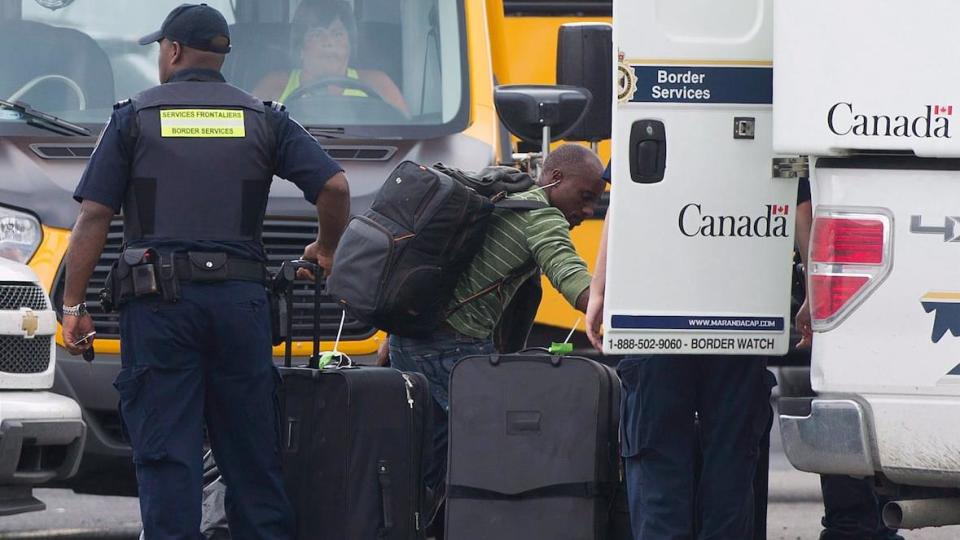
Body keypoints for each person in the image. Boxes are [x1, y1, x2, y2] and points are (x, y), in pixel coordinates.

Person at [59, 4, 350, 538]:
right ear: (222, 57)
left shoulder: (134, 117)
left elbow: (94, 216)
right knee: (252, 460)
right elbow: (334, 187)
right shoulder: (264, 117)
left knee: (169, 455)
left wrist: (74, 306)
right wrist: (325, 249)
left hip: (160, 309)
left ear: (171, 51)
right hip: (242, 307)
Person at [387, 143, 605, 525]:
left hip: (415, 336)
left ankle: (420, 526)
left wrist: (393, 334)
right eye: (584, 196)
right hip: (452, 345)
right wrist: (625, 310)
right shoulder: (541, 216)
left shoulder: (508, 198)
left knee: (434, 456)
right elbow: (574, 281)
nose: (588, 212)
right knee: (493, 451)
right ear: (555, 179)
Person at [587, 164, 773, 539]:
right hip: (741, 315)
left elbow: (623, 202)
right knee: (731, 457)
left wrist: (600, 290)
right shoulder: (775, 111)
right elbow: (797, 206)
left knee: (656, 455)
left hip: (656, 314)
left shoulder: (646, 109)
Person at [793, 179, 903, 540]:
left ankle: (854, 522)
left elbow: (802, 208)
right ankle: (880, 521)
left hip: (845, 265)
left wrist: (812, 293)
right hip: (901, 263)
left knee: (843, 396)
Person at [254, 0, 408, 114]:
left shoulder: (378, 84)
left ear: (350, 44)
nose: (329, 42)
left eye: (337, 34)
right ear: (300, 47)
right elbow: (246, 133)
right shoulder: (275, 86)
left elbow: (405, 134)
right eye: (317, 34)